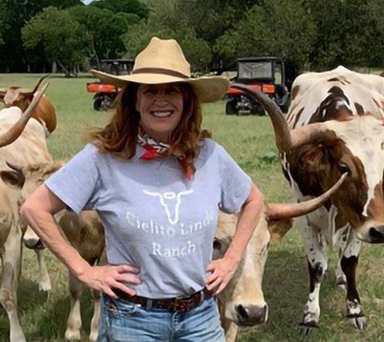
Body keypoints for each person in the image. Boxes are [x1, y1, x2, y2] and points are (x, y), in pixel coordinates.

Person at [20, 37, 264, 341]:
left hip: (200, 316)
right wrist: (84, 270)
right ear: (135, 100)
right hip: (133, 320)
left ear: (187, 100)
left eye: (171, 91)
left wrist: (231, 259)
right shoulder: (103, 158)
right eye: (150, 91)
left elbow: (253, 200)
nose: (161, 100)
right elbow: (34, 207)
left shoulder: (210, 155)